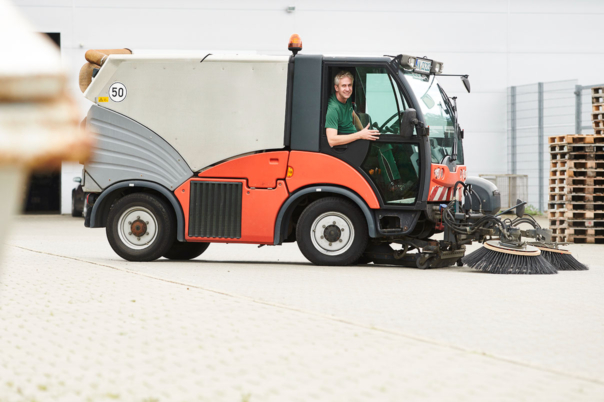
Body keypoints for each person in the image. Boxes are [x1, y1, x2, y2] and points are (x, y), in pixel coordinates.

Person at [325, 71, 380, 147]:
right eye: (343, 86)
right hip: (348, 147)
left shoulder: (346, 97)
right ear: (336, 87)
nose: (347, 89)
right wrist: (360, 135)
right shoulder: (333, 108)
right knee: (383, 146)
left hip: (355, 139)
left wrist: (362, 131)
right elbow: (331, 140)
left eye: (349, 85)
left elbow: (352, 113)